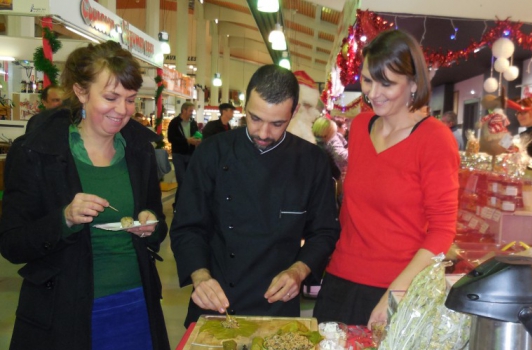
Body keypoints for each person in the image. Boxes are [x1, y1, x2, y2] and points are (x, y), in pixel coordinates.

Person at [0, 41, 169, 350]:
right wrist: (64, 218)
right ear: (80, 92)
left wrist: (150, 224)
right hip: (63, 311)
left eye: (131, 100)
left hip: (136, 304)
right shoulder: (36, 153)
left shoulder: (139, 151)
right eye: (111, 97)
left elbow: (156, 221)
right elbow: (12, 243)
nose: (123, 110)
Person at [170, 64, 340, 327]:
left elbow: (325, 232)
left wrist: (299, 271)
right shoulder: (212, 153)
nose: (263, 133)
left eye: (277, 123)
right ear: (245, 106)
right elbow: (188, 227)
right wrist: (200, 276)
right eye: (255, 118)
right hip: (216, 299)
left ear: (293, 112)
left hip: (278, 303)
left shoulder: (312, 162)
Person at [313, 29, 460, 326]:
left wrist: (398, 291)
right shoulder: (360, 126)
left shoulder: (435, 139)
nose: (373, 93)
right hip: (340, 278)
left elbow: (443, 230)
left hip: (397, 286)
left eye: (387, 83)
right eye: (368, 80)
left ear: (413, 83)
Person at [167, 102, 200, 206]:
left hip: (191, 154)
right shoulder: (175, 123)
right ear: (184, 110)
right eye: (190, 110)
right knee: (182, 181)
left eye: (192, 111)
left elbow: (196, 134)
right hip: (179, 155)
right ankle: (178, 205)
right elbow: (171, 138)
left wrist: (197, 140)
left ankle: (185, 205)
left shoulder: (193, 123)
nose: (192, 113)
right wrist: (186, 140)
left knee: (190, 180)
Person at [286, 70, 321, 144]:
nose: (308, 110)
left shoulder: (305, 125)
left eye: (310, 106)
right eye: (305, 104)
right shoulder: (291, 127)